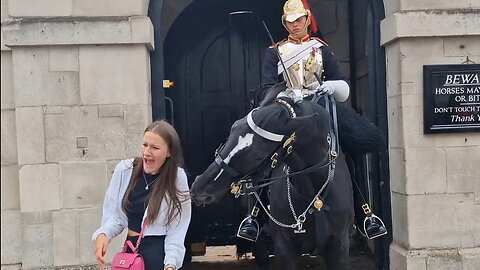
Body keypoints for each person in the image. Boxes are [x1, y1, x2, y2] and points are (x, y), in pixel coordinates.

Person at [237, 0, 386, 242]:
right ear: (284, 23)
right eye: (289, 21)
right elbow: (266, 89)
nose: (294, 25)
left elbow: (342, 83)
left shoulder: (321, 49)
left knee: (353, 145)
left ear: (306, 19)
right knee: (262, 152)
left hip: (321, 108)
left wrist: (331, 86)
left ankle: (364, 213)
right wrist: (285, 93)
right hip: (286, 110)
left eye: (298, 20)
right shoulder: (275, 51)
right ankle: (254, 216)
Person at [92, 120, 191, 270]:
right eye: (145, 145)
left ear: (169, 152)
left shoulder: (177, 178)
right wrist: (103, 235)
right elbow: (115, 217)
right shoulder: (125, 170)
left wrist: (171, 264)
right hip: (131, 251)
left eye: (155, 148)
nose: (147, 152)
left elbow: (177, 228)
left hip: (160, 254)